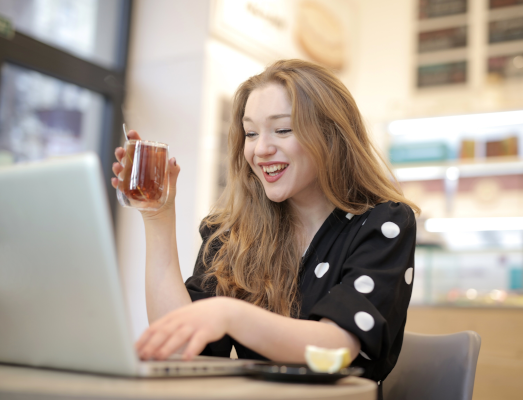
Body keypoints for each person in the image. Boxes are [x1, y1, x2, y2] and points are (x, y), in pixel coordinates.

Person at [111, 59, 419, 394]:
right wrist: (157, 217)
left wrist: (230, 315)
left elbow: (336, 348)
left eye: (283, 130)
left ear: (332, 135)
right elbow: (182, 347)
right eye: (251, 133)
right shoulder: (231, 234)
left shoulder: (383, 224)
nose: (260, 149)